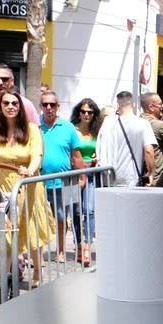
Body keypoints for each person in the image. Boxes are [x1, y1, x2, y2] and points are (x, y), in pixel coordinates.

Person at [0, 92, 53, 288]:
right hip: (2, 186)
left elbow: (37, 154)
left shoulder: (31, 129)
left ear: (20, 107)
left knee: (31, 228)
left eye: (15, 103)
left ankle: (36, 270)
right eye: (6, 103)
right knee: (5, 232)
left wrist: (30, 169)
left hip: (28, 186)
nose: (10, 106)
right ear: (1, 107)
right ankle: (5, 277)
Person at [36, 90, 82, 258]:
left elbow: (76, 155)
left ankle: (61, 250)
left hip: (63, 183)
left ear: (58, 106)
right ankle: (39, 255)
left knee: (62, 218)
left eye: (52, 104)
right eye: (45, 104)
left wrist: (82, 177)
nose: (49, 108)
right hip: (39, 182)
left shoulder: (68, 127)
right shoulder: (35, 126)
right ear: (41, 106)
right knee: (38, 220)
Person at [95, 91, 155, 188]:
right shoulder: (143, 124)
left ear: (118, 105)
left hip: (108, 178)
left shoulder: (108, 122)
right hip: (131, 179)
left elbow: (99, 147)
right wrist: (151, 173)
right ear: (134, 104)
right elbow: (149, 151)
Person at [70, 97, 102, 267]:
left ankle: (87, 246)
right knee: (75, 211)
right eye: (83, 111)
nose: (87, 114)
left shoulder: (98, 131)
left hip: (91, 174)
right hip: (75, 174)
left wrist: (98, 156)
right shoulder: (72, 130)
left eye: (90, 112)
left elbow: (103, 148)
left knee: (89, 210)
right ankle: (78, 245)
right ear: (79, 112)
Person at [139, 91, 163, 187]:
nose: (162, 107)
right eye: (160, 104)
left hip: (142, 173)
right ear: (151, 107)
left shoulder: (139, 120)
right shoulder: (159, 125)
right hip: (158, 176)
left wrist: (162, 119)